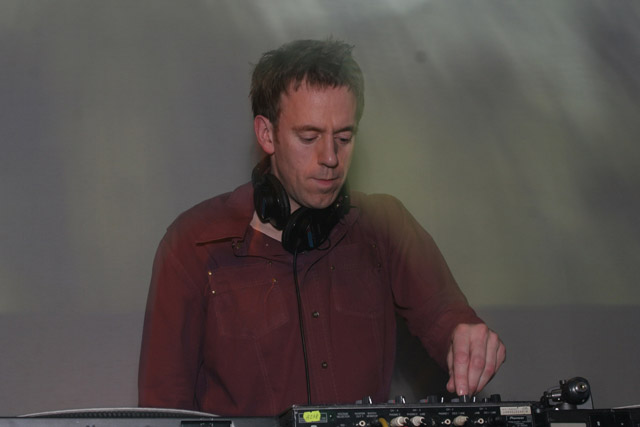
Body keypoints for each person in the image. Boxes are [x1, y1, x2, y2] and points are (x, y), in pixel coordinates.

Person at [138, 39, 506, 417]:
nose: (330, 157)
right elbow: (162, 411)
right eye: (309, 137)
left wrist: (466, 337)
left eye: (344, 138)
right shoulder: (194, 245)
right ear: (266, 134)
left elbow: (447, 320)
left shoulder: (386, 227)